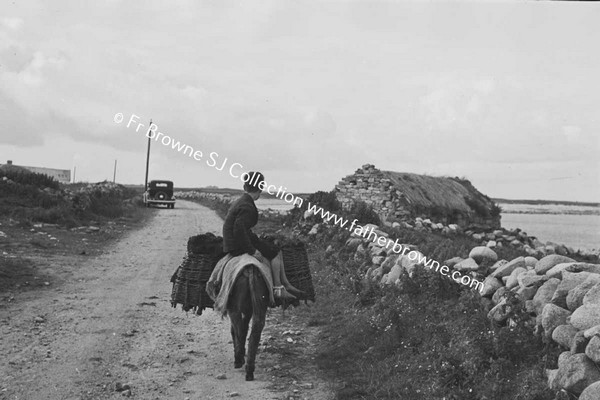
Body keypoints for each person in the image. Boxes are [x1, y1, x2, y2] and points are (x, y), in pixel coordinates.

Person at [222, 171, 302, 302]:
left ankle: (285, 284)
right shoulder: (247, 205)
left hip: (231, 242)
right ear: (260, 187)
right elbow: (239, 230)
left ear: (245, 187)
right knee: (275, 252)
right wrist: (252, 251)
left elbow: (241, 229)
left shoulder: (241, 200)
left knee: (273, 248)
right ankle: (278, 288)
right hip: (236, 244)